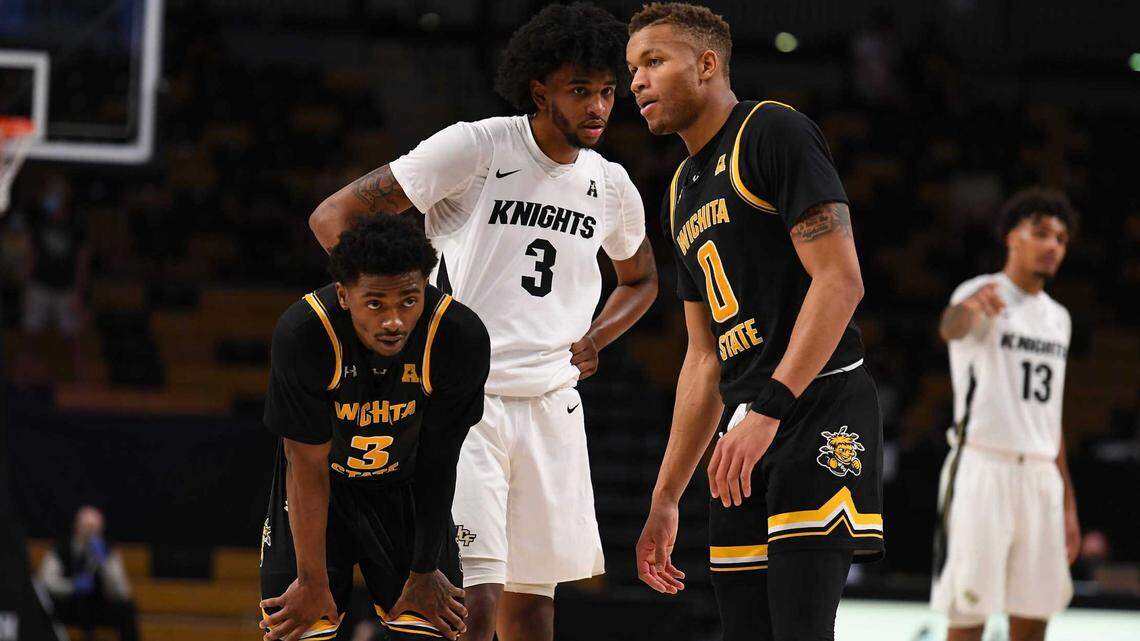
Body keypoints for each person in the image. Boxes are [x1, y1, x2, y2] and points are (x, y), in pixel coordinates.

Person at [307, 5, 656, 640]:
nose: (599, 106)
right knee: (475, 602)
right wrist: (391, 319)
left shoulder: (611, 185)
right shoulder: (478, 146)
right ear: (539, 88)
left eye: (608, 91)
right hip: (464, 404)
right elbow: (334, 217)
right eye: (581, 90)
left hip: (552, 405)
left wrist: (598, 337)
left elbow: (641, 279)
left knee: (534, 609)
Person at [626, 4, 884, 640]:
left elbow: (841, 280)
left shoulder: (772, 131)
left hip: (817, 403)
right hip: (745, 427)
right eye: (633, 67)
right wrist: (665, 498)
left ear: (708, 64)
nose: (636, 81)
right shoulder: (680, 187)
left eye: (653, 62)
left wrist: (769, 409)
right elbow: (703, 359)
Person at [258, 215, 491, 641]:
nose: (394, 321)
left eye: (408, 300)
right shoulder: (305, 333)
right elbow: (306, 464)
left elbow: (441, 457)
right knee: (296, 623)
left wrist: (424, 568)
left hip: (405, 485)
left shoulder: (458, 336)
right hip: (320, 487)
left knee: (436, 625)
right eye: (375, 303)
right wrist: (311, 580)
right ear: (345, 296)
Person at [932, 188, 1080, 641]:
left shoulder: (1059, 318)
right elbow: (950, 328)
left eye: (1061, 238)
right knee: (967, 617)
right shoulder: (981, 292)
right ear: (1011, 237)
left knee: (1034, 620)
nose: (1053, 245)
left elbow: (1050, 418)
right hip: (982, 468)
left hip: (1040, 476)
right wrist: (969, 311)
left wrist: (1068, 502)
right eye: (1041, 233)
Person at [37, 505, 139, 641]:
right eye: (87, 527)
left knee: (127, 608)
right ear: (77, 527)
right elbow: (46, 582)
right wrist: (72, 586)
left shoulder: (108, 552)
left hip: (98, 607)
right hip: (70, 605)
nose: (90, 532)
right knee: (43, 608)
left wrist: (104, 564)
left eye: (94, 528)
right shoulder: (61, 549)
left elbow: (122, 591)